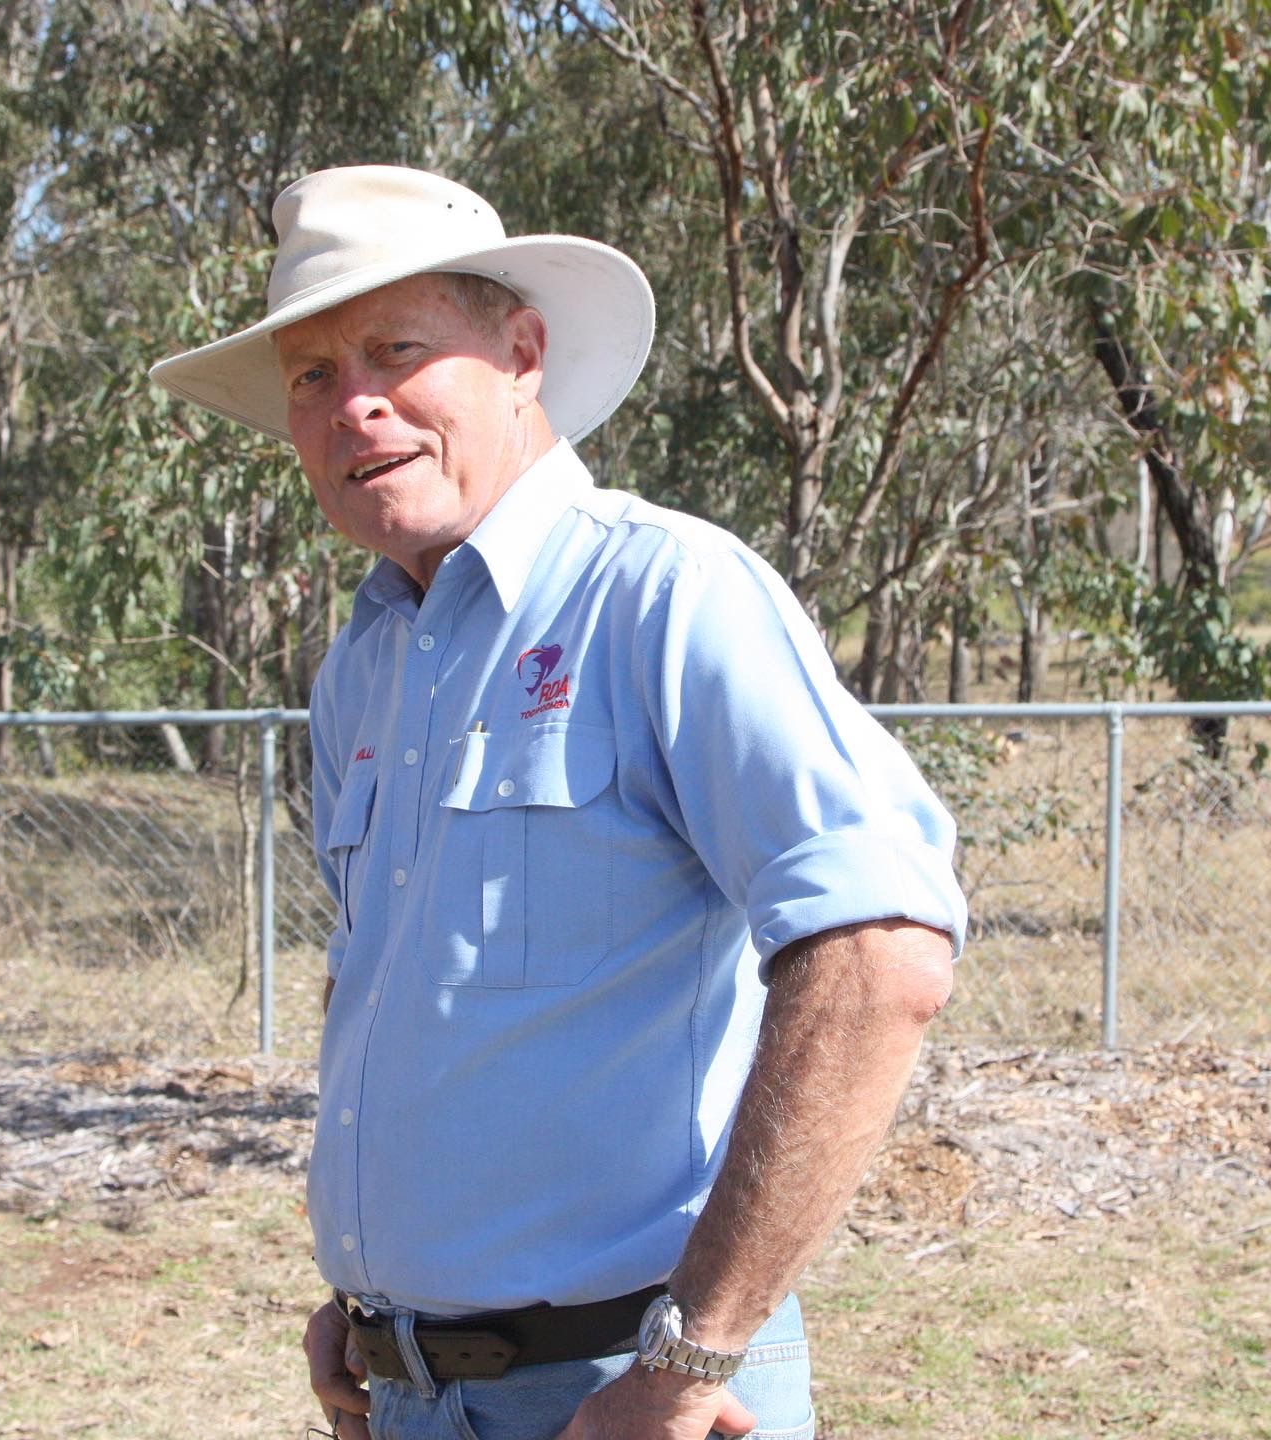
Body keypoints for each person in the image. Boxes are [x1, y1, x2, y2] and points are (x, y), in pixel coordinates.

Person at [150, 164, 967, 1440]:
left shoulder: (665, 597)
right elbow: (397, 989)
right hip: (410, 1397)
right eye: (312, 375)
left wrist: (690, 1363)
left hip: (626, 1401)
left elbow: (879, 951)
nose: (353, 404)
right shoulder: (364, 666)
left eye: (396, 349)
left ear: (522, 352)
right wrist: (371, 1297)